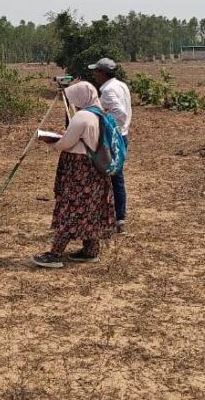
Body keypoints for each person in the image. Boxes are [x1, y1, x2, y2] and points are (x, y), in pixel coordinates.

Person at [31, 81, 115, 268]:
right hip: (95, 169)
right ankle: (90, 251)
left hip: (79, 169)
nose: (71, 103)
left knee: (71, 209)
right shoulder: (99, 114)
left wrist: (50, 140)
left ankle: (55, 254)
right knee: (91, 209)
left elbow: (65, 143)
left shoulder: (83, 116)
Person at [89, 58, 131, 234]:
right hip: (122, 134)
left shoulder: (108, 90)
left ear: (103, 73)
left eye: (97, 71)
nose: (95, 75)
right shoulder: (121, 85)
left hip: (114, 137)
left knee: (111, 177)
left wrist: (104, 117)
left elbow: (120, 113)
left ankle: (115, 218)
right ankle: (117, 217)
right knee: (116, 177)